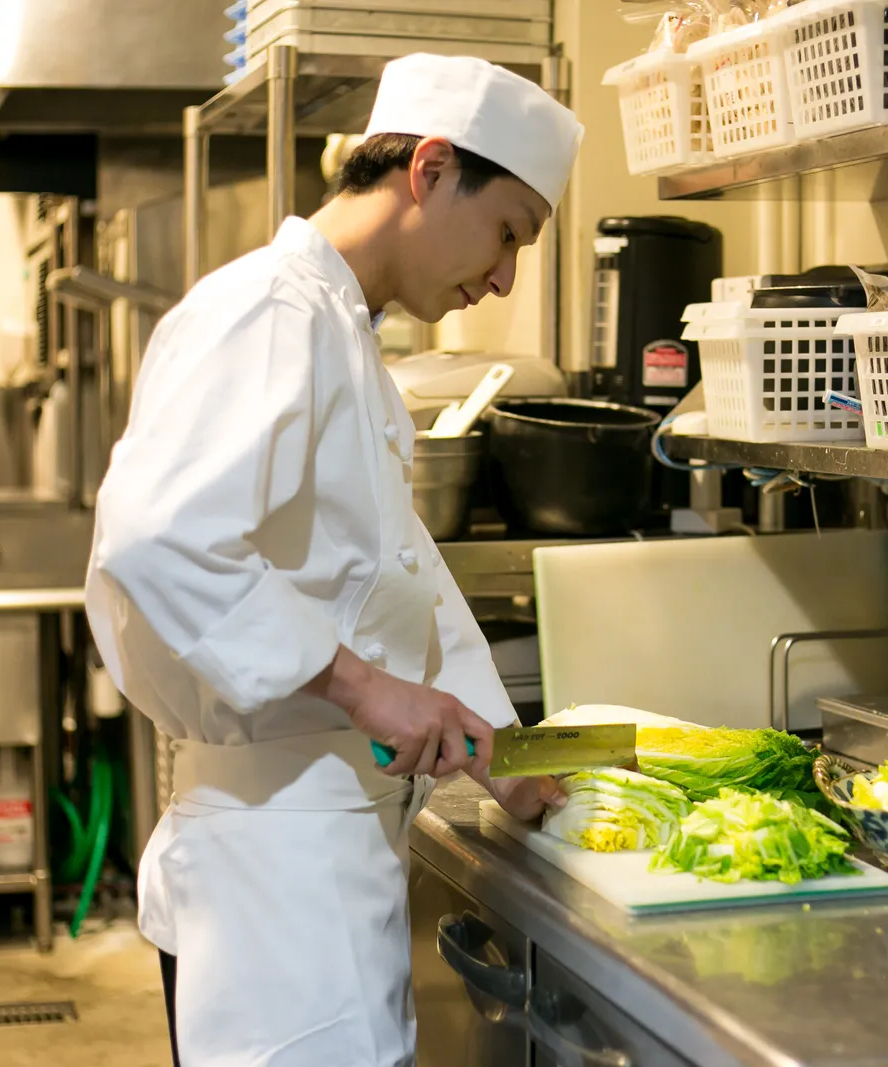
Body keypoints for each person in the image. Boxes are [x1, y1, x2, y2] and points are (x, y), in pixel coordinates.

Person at [84, 53, 583, 1067]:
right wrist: (361, 689)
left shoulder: (341, 330)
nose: (501, 277)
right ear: (432, 169)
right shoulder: (273, 310)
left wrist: (501, 754)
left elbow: (395, 575)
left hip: (312, 858)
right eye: (507, 235)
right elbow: (157, 534)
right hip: (276, 873)